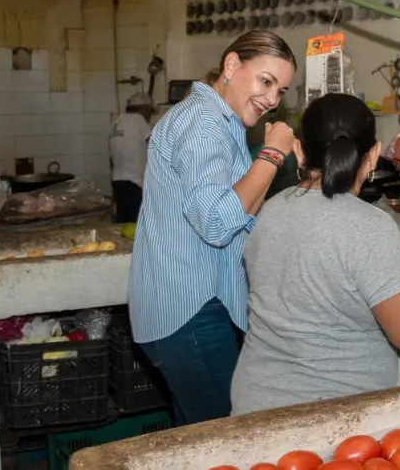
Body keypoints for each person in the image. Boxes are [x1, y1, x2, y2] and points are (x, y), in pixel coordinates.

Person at [231, 93, 400, 415]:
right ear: (372, 156)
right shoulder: (369, 227)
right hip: (334, 424)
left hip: (254, 407)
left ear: (298, 152)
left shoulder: (267, 210)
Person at [128, 30, 298, 425]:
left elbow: (242, 205)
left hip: (194, 305)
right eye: (266, 81)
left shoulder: (221, 122)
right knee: (221, 433)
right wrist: (272, 155)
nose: (272, 100)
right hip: (190, 312)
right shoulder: (204, 125)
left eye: (281, 90)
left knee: (194, 432)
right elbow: (218, 222)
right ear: (232, 65)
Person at [109, 91, 155, 223]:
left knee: (123, 224)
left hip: (118, 183)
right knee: (136, 226)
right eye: (150, 111)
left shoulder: (117, 121)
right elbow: (156, 145)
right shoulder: (138, 120)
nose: (150, 116)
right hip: (134, 184)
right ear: (145, 108)